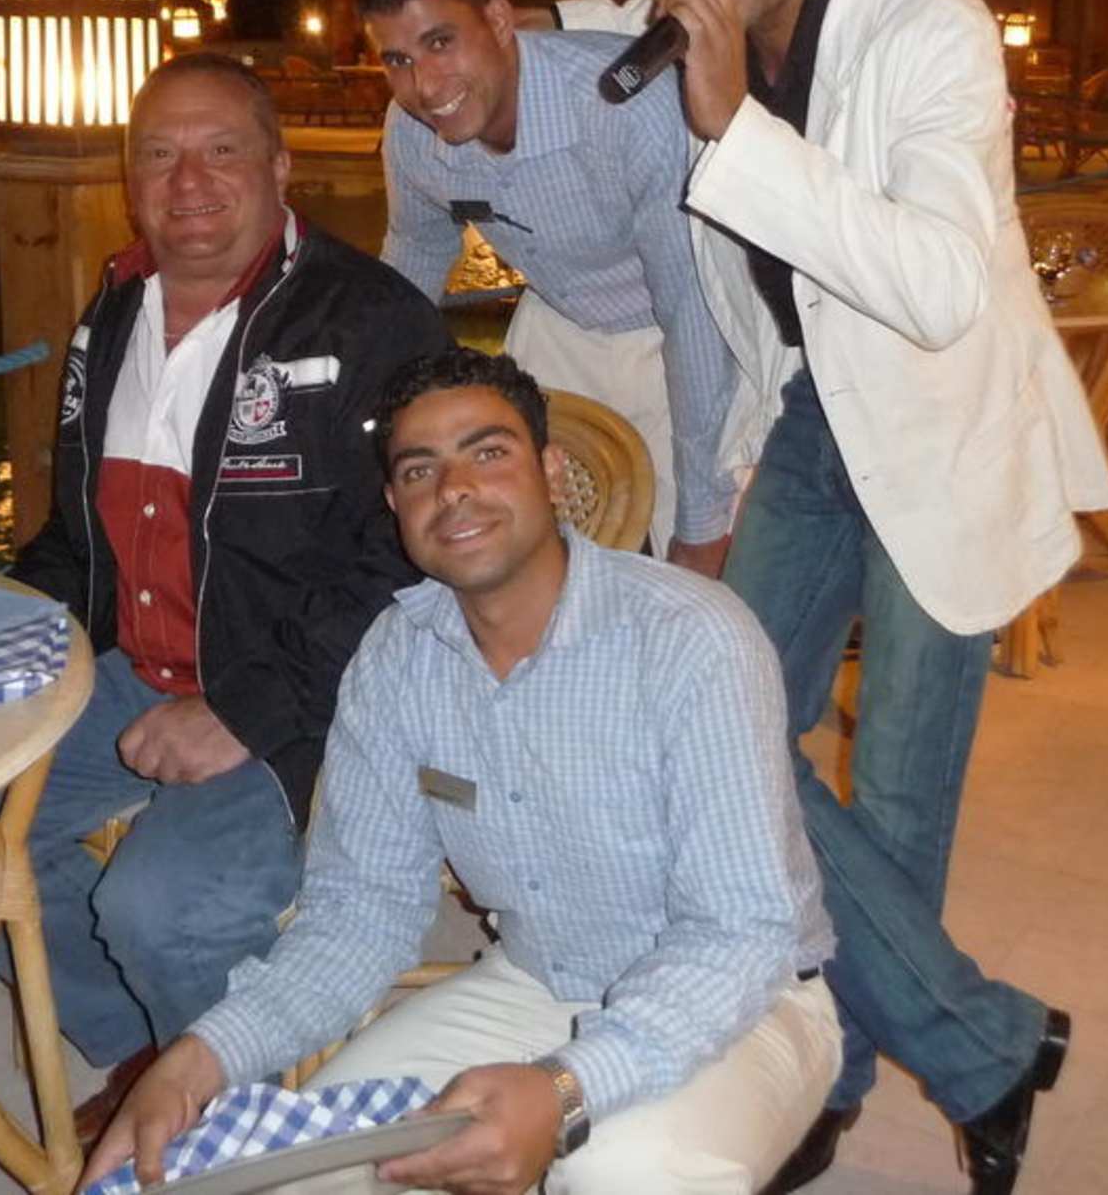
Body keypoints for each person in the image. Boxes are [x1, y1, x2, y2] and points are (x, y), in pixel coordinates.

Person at [548, 0, 1108, 1193]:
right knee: (722, 733)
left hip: (939, 429)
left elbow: (937, 288)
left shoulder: (930, 26)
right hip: (809, 427)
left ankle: (841, 1075)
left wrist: (734, 128)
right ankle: (986, 1045)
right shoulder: (700, 35)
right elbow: (581, 39)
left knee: (902, 791)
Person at [84, 348, 841, 1195]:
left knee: (623, 1170)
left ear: (551, 473)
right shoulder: (395, 659)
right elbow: (360, 914)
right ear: (395, 506)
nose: (454, 489)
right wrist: (200, 1058)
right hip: (533, 983)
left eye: (488, 453)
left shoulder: (691, 637)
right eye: (420, 470)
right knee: (301, 1174)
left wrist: (567, 1086)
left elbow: (740, 933)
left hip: (747, 1003)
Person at [9, 52, 452, 1134]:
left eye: (222, 150)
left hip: (319, 698)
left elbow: (417, 559)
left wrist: (245, 710)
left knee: (160, 907)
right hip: (137, 668)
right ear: (130, 178)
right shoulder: (111, 312)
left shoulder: (370, 321)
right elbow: (81, 539)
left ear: (280, 166)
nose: (189, 181)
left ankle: (230, 1123)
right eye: (160, 154)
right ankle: (147, 1051)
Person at [361, 0, 737, 572]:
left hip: (682, 327)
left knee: (696, 567)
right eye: (397, 60)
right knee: (526, 559)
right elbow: (413, 264)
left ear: (499, 20)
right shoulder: (412, 130)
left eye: (441, 42)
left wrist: (703, 525)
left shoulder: (623, 107)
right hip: (558, 325)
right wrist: (369, 412)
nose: (424, 86)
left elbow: (689, 304)